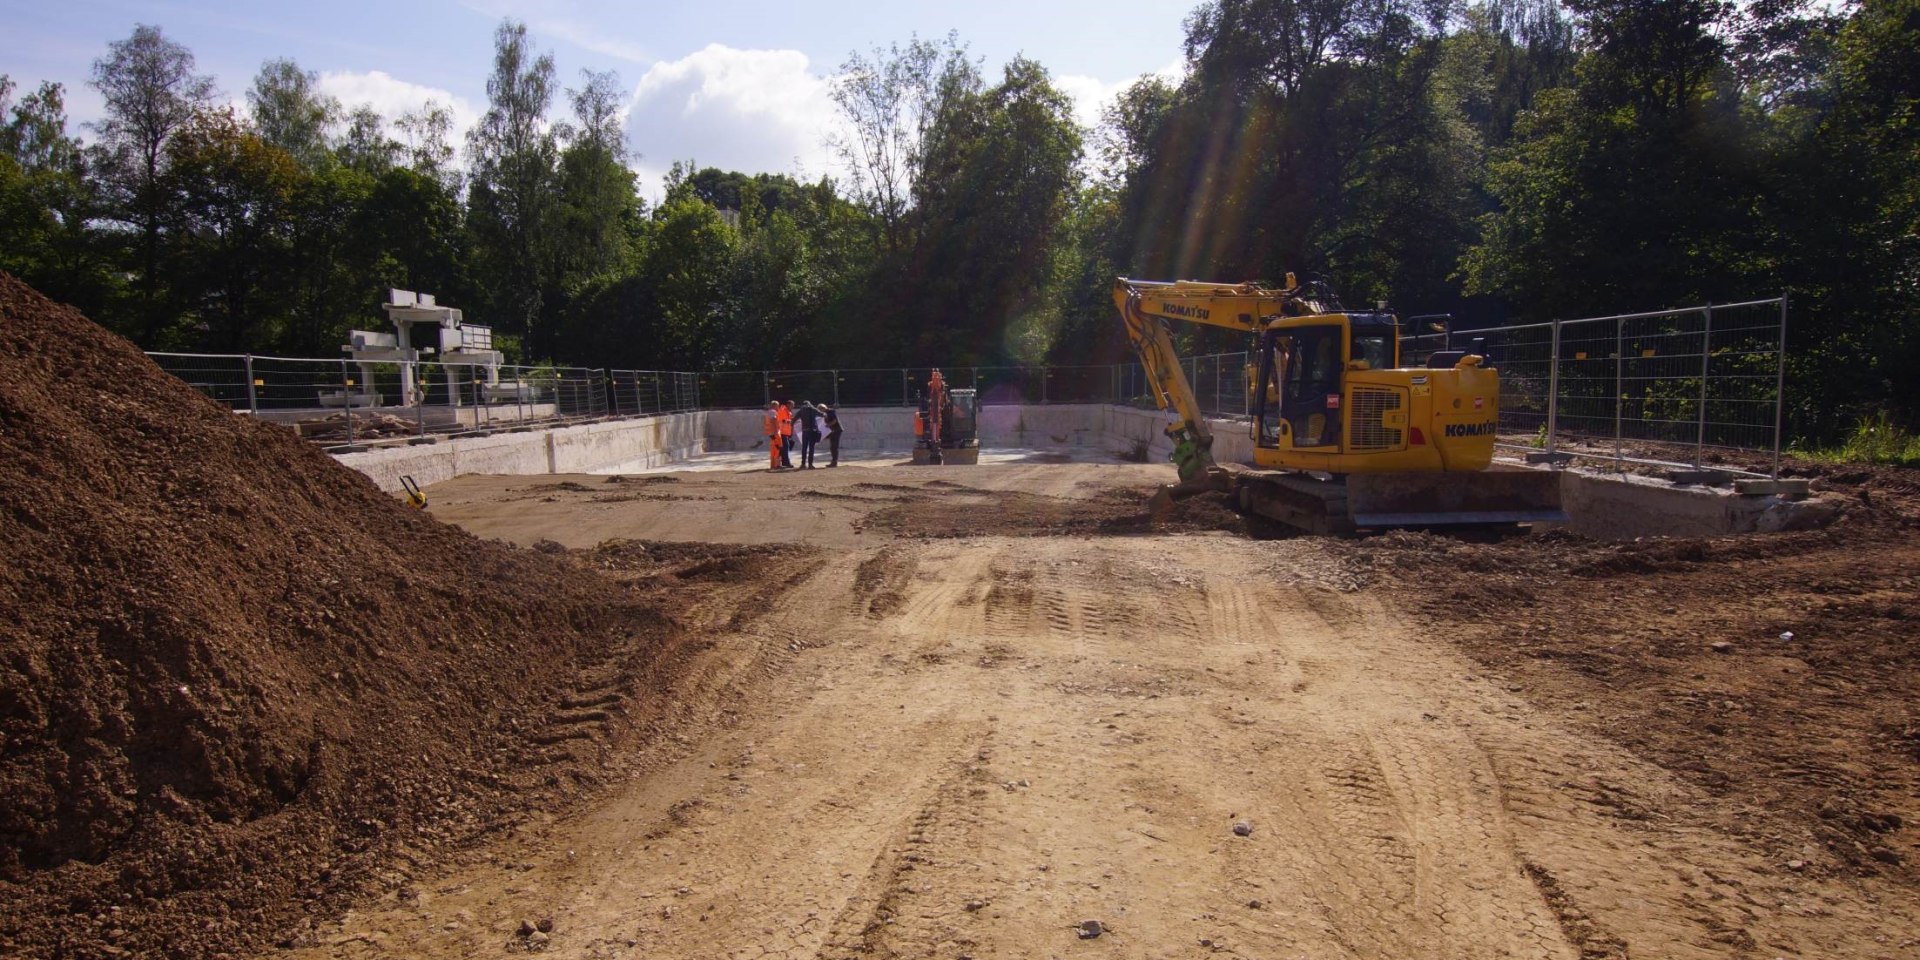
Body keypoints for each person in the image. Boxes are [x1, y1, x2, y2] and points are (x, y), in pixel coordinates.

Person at [795, 401, 823, 469]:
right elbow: (822, 414)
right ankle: (810, 464)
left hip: (805, 431)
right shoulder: (813, 409)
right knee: (811, 448)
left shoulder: (801, 410)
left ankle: (803, 464)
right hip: (812, 431)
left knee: (804, 448)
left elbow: (794, 418)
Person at [819, 402, 843, 466]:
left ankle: (834, 462)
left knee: (834, 447)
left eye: (820, 410)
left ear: (823, 408)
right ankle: (834, 461)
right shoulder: (825, 413)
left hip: (836, 430)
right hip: (832, 431)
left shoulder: (831, 411)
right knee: (833, 447)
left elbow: (834, 420)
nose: (820, 411)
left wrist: (828, 425)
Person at [763, 402, 784, 469]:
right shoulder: (773, 411)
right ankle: (777, 465)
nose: (778, 407)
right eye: (778, 406)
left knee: (773, 449)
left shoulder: (768, 412)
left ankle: (773, 465)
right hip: (775, 433)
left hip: (771, 433)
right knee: (778, 448)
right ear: (774, 406)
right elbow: (774, 420)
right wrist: (776, 431)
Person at [777, 400, 795, 468]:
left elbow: (787, 421)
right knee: (786, 447)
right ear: (788, 404)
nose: (793, 406)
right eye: (792, 405)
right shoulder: (782, 410)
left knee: (785, 447)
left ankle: (782, 462)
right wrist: (791, 420)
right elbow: (782, 420)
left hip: (786, 432)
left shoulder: (788, 412)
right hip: (782, 432)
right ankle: (786, 463)